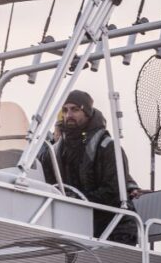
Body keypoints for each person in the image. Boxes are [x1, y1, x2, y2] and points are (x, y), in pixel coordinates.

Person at [38, 89, 141, 242]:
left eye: (75, 110)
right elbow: (44, 179)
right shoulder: (57, 149)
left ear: (86, 112)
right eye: (65, 110)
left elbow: (114, 192)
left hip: (115, 228)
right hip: (79, 226)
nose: (69, 115)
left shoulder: (108, 148)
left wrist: (78, 199)